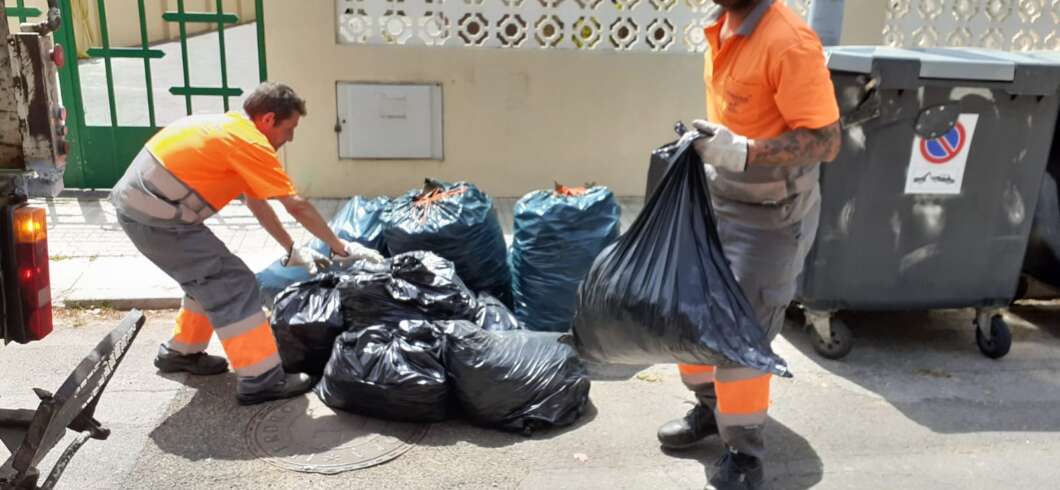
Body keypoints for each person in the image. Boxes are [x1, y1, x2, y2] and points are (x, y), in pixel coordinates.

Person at [654, 1, 841, 488]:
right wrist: (716, 146)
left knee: (743, 332)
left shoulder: (789, 41)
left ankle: (744, 452)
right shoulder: (723, 24)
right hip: (720, 200)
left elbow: (826, 140)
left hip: (772, 217)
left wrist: (745, 151)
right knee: (690, 312)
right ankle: (711, 411)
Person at [110, 82, 383, 405]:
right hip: (157, 219)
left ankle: (181, 352)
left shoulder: (229, 130)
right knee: (234, 282)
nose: (291, 138)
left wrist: (291, 247)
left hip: (146, 212)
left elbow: (258, 203)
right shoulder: (249, 142)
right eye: (290, 128)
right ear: (268, 119)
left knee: (206, 276)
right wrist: (341, 248)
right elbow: (296, 204)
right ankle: (262, 381)